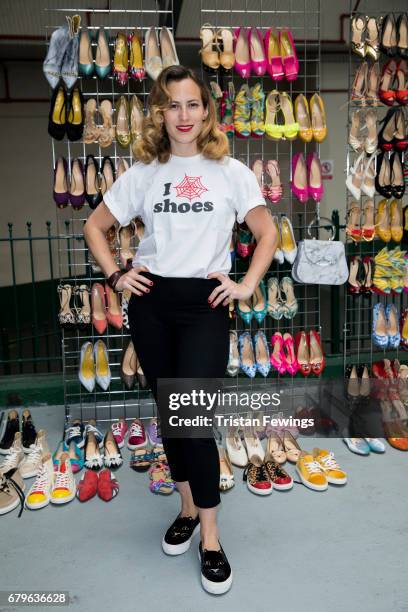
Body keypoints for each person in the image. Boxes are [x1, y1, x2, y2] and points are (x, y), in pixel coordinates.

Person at [84, 65, 277, 595]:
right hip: (152, 303)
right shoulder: (145, 171)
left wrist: (245, 286)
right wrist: (118, 273)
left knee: (193, 419)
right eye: (173, 105)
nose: (184, 115)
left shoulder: (230, 170)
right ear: (160, 112)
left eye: (193, 104)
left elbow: (267, 233)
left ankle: (210, 537)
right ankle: (188, 507)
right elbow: (95, 227)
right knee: (171, 418)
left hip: (204, 305)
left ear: (207, 110)